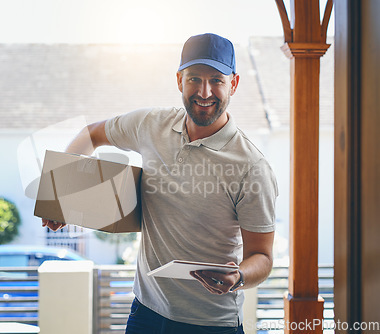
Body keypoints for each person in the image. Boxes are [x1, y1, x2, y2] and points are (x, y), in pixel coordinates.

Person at [42, 33, 278, 334]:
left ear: (233, 84)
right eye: (194, 78)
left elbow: (263, 257)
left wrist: (239, 276)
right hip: (145, 314)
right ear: (179, 80)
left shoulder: (252, 167)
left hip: (211, 323)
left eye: (216, 80)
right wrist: (61, 194)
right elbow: (92, 134)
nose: (204, 91)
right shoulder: (151, 125)